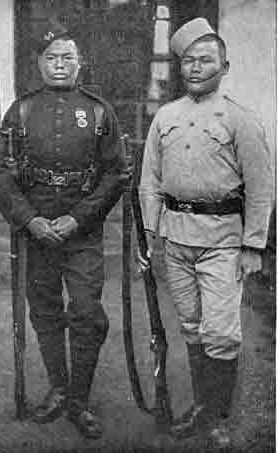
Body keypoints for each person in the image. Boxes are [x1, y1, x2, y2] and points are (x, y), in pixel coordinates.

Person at [0, 19, 125, 439]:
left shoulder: (100, 111)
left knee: (86, 312)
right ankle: (59, 390)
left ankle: (79, 400)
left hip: (81, 232)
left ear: (80, 63)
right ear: (39, 64)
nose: (60, 64)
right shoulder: (22, 110)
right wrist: (29, 219)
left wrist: (77, 219)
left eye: (68, 57)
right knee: (45, 311)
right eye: (52, 58)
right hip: (36, 230)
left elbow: (116, 174)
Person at [138, 18, 273, 449]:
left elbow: (261, 186)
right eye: (189, 61)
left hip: (222, 242)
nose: (196, 68)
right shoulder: (166, 116)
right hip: (175, 239)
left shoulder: (241, 120)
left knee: (221, 333)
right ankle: (201, 408)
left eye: (206, 61)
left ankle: (218, 418)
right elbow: (150, 180)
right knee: (192, 328)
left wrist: (254, 245)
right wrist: (149, 235)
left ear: (224, 66)